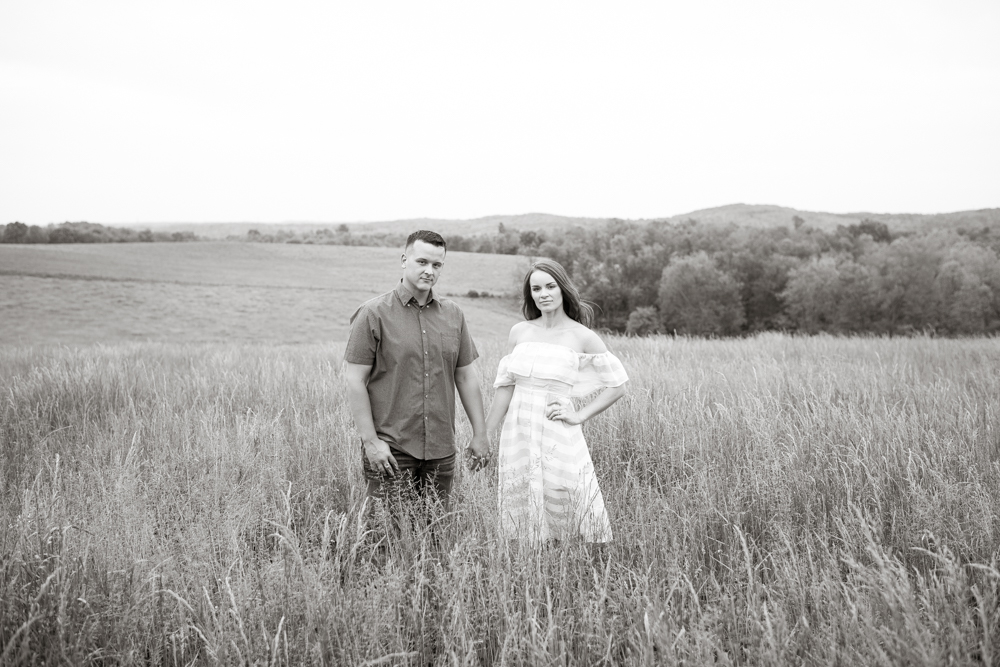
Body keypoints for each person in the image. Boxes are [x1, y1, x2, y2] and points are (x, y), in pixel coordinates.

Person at [344, 230, 489, 514]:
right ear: (404, 260)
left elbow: (466, 377)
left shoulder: (453, 315)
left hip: (441, 450)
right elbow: (354, 380)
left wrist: (480, 434)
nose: (429, 271)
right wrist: (371, 442)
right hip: (391, 450)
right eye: (422, 262)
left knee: (435, 538)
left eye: (437, 265)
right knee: (386, 542)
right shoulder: (373, 314)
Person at [485, 259, 628, 544]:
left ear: (563, 289)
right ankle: (529, 562)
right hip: (518, 432)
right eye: (536, 288)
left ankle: (568, 560)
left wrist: (579, 415)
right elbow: (505, 387)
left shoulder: (582, 336)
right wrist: (485, 434)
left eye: (550, 286)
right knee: (522, 495)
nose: (543, 294)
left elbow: (618, 385)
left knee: (562, 493)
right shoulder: (520, 331)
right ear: (530, 294)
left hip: (556, 430)